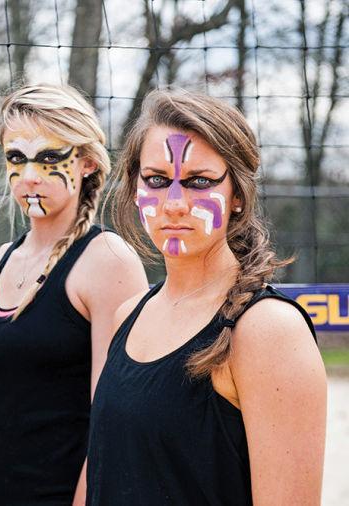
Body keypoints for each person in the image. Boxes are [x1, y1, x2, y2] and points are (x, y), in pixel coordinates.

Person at [87, 89, 327, 505]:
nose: (175, 204)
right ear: (134, 186)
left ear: (237, 196)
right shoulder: (128, 313)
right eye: (157, 181)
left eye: (199, 182)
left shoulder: (267, 329)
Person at [0, 84, 148, 506]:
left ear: (85, 163)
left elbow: (111, 423)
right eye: (16, 158)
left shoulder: (108, 261)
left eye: (48, 158)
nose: (29, 176)